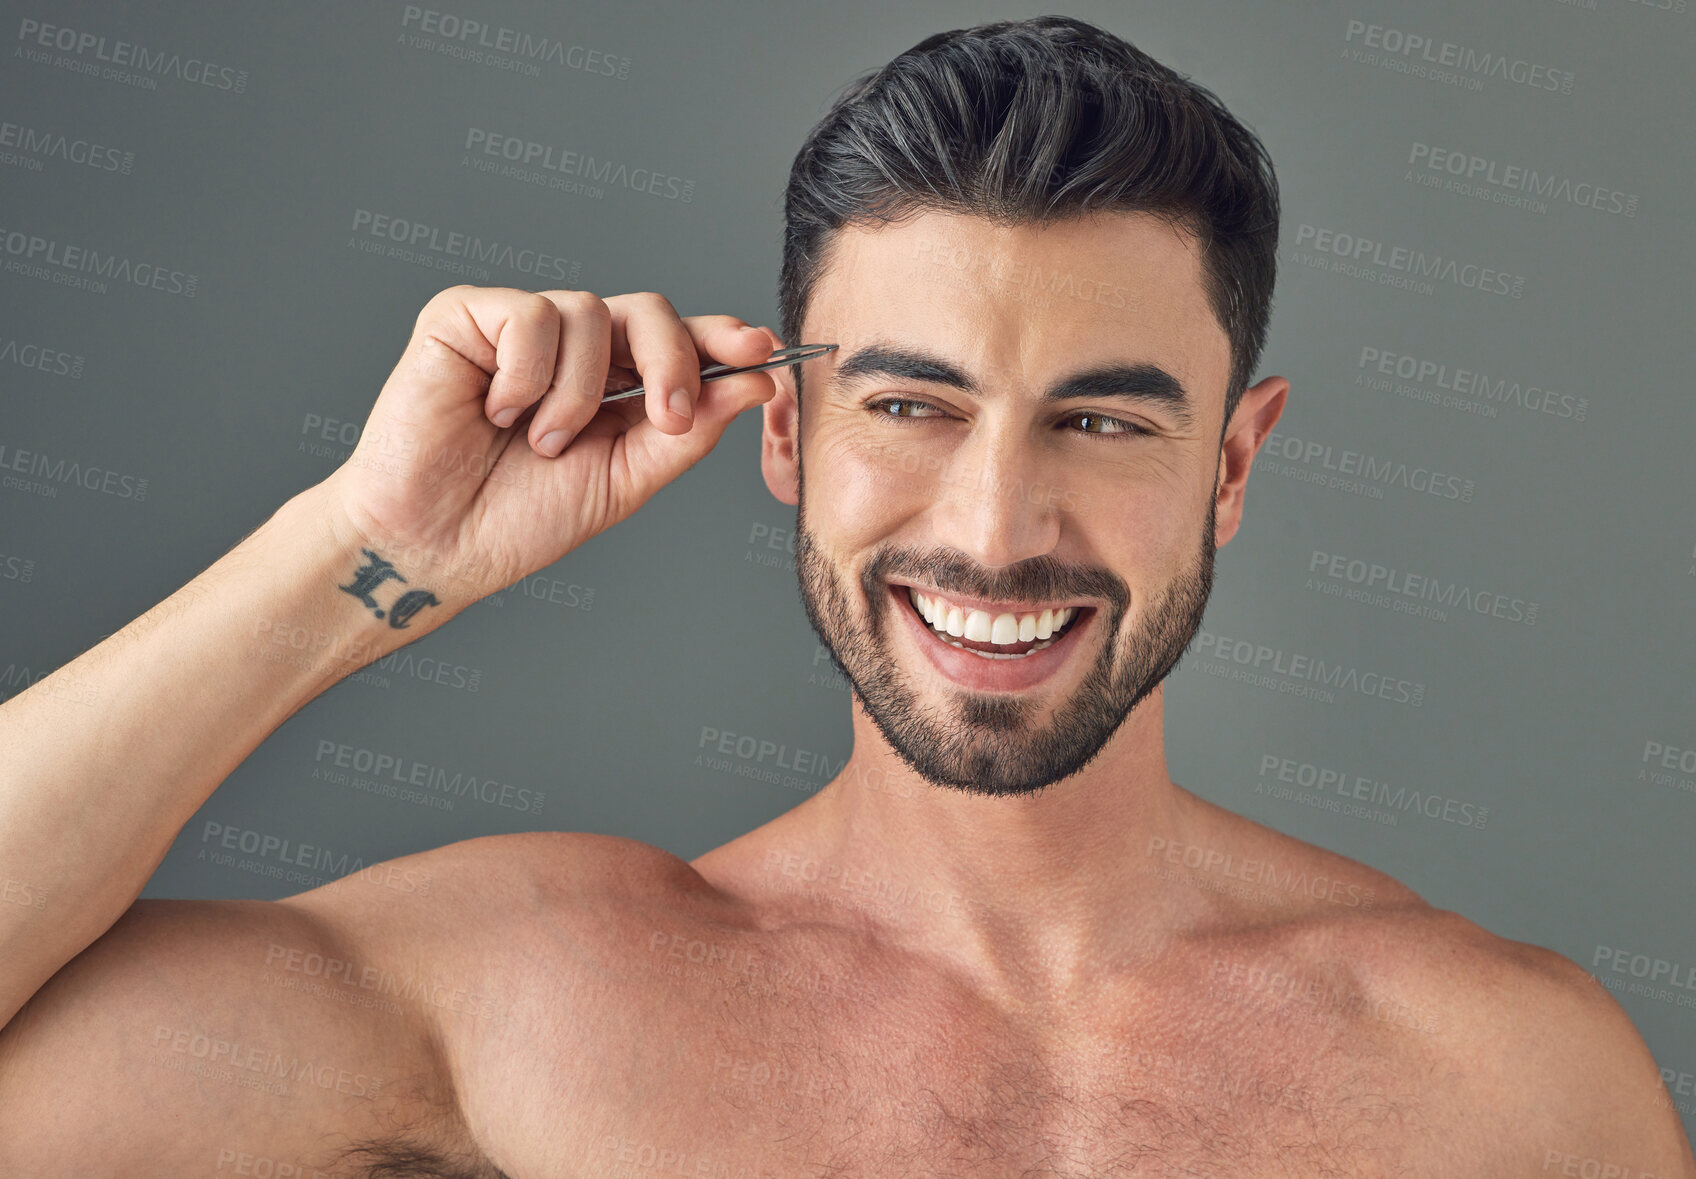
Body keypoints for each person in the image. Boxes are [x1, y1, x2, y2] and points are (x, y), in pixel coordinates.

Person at [1, 15, 1689, 1177]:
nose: (998, 520)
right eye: (911, 404)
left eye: (1102, 419)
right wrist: (362, 555)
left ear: (1234, 466)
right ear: (788, 431)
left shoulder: (1504, 1082)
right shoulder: (520, 1005)